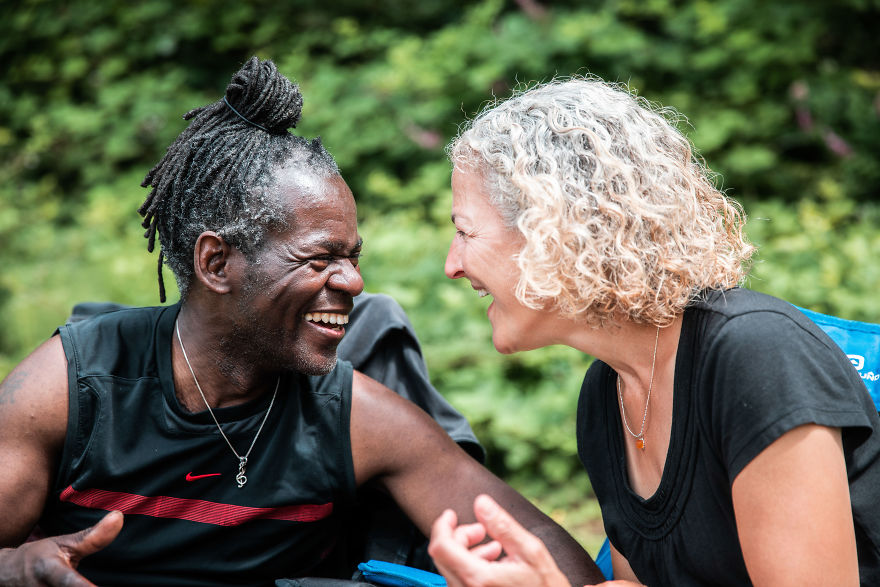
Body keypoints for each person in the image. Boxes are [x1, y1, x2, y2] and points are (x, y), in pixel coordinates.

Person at [0, 58, 603, 586]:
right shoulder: (72, 388)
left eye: (353, 257)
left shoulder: (353, 418)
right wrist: (15, 568)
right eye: (320, 259)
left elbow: (557, 563)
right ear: (216, 262)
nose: (354, 283)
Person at [428, 77, 880, 586]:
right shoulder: (607, 393)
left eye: (465, 232)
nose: (452, 264)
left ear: (555, 230)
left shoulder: (757, 356)